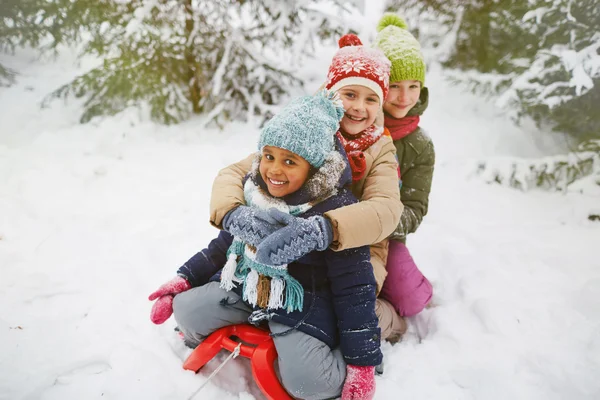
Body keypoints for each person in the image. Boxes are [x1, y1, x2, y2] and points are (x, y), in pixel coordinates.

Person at [148, 91, 381, 400]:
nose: (274, 170)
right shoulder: (256, 195)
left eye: (289, 161)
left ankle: (328, 357)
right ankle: (246, 317)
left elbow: (355, 289)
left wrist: (361, 363)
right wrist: (185, 278)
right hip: (250, 289)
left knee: (308, 384)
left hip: (305, 305)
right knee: (187, 311)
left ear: (314, 168)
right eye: (269, 156)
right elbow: (223, 247)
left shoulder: (336, 212)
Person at [208, 34, 408, 342]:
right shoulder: (308, 127)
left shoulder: (381, 148)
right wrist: (232, 213)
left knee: (345, 311)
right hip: (290, 237)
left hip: (354, 250)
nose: (358, 107)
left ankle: (385, 321)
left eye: (371, 99)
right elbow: (235, 171)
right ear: (332, 92)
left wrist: (324, 229)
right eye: (350, 94)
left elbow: (386, 208)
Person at [372, 14, 434, 320]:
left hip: (386, 235)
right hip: (339, 230)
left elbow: (414, 209)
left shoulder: (419, 145)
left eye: (413, 86)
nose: (404, 97)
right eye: (394, 86)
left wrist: (378, 224)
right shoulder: (358, 122)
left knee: (410, 300)